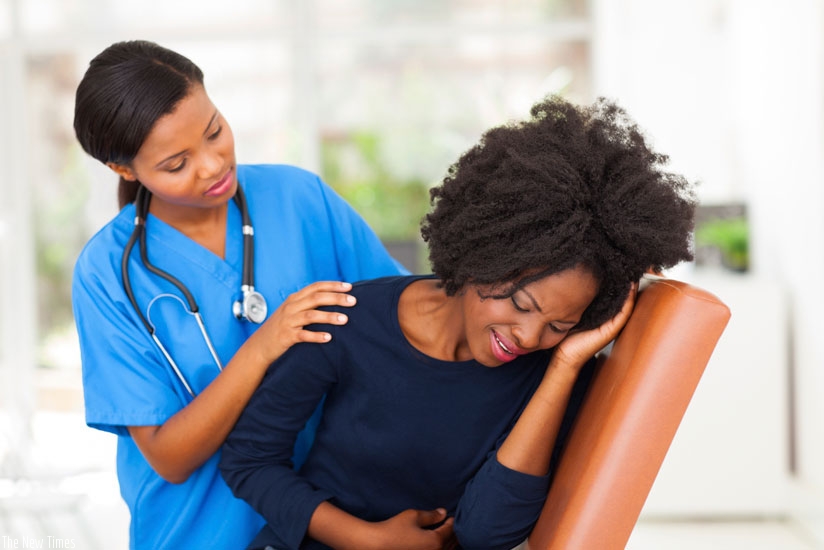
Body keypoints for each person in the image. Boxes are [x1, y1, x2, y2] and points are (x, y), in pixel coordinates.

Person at [219, 95, 697, 550]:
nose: (530, 336)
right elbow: (249, 459)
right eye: (521, 304)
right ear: (480, 257)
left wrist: (565, 365)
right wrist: (365, 539)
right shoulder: (346, 319)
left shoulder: (552, 372)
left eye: (559, 325)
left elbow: (488, 533)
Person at [71, 40, 408, 550]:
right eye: (177, 163)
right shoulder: (107, 274)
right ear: (125, 170)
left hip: (341, 523)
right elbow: (169, 457)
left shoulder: (299, 199)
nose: (212, 165)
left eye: (214, 131)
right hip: (199, 535)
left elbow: (404, 320)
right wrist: (264, 344)